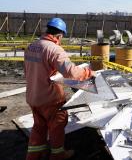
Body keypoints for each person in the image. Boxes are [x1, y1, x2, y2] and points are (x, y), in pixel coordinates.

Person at [24, 17, 96, 160]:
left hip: (33, 96)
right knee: (57, 125)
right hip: (50, 99)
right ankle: (58, 155)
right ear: (59, 35)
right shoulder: (54, 49)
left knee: (39, 126)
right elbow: (71, 72)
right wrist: (88, 73)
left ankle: (34, 155)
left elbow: (30, 71)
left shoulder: (31, 46)